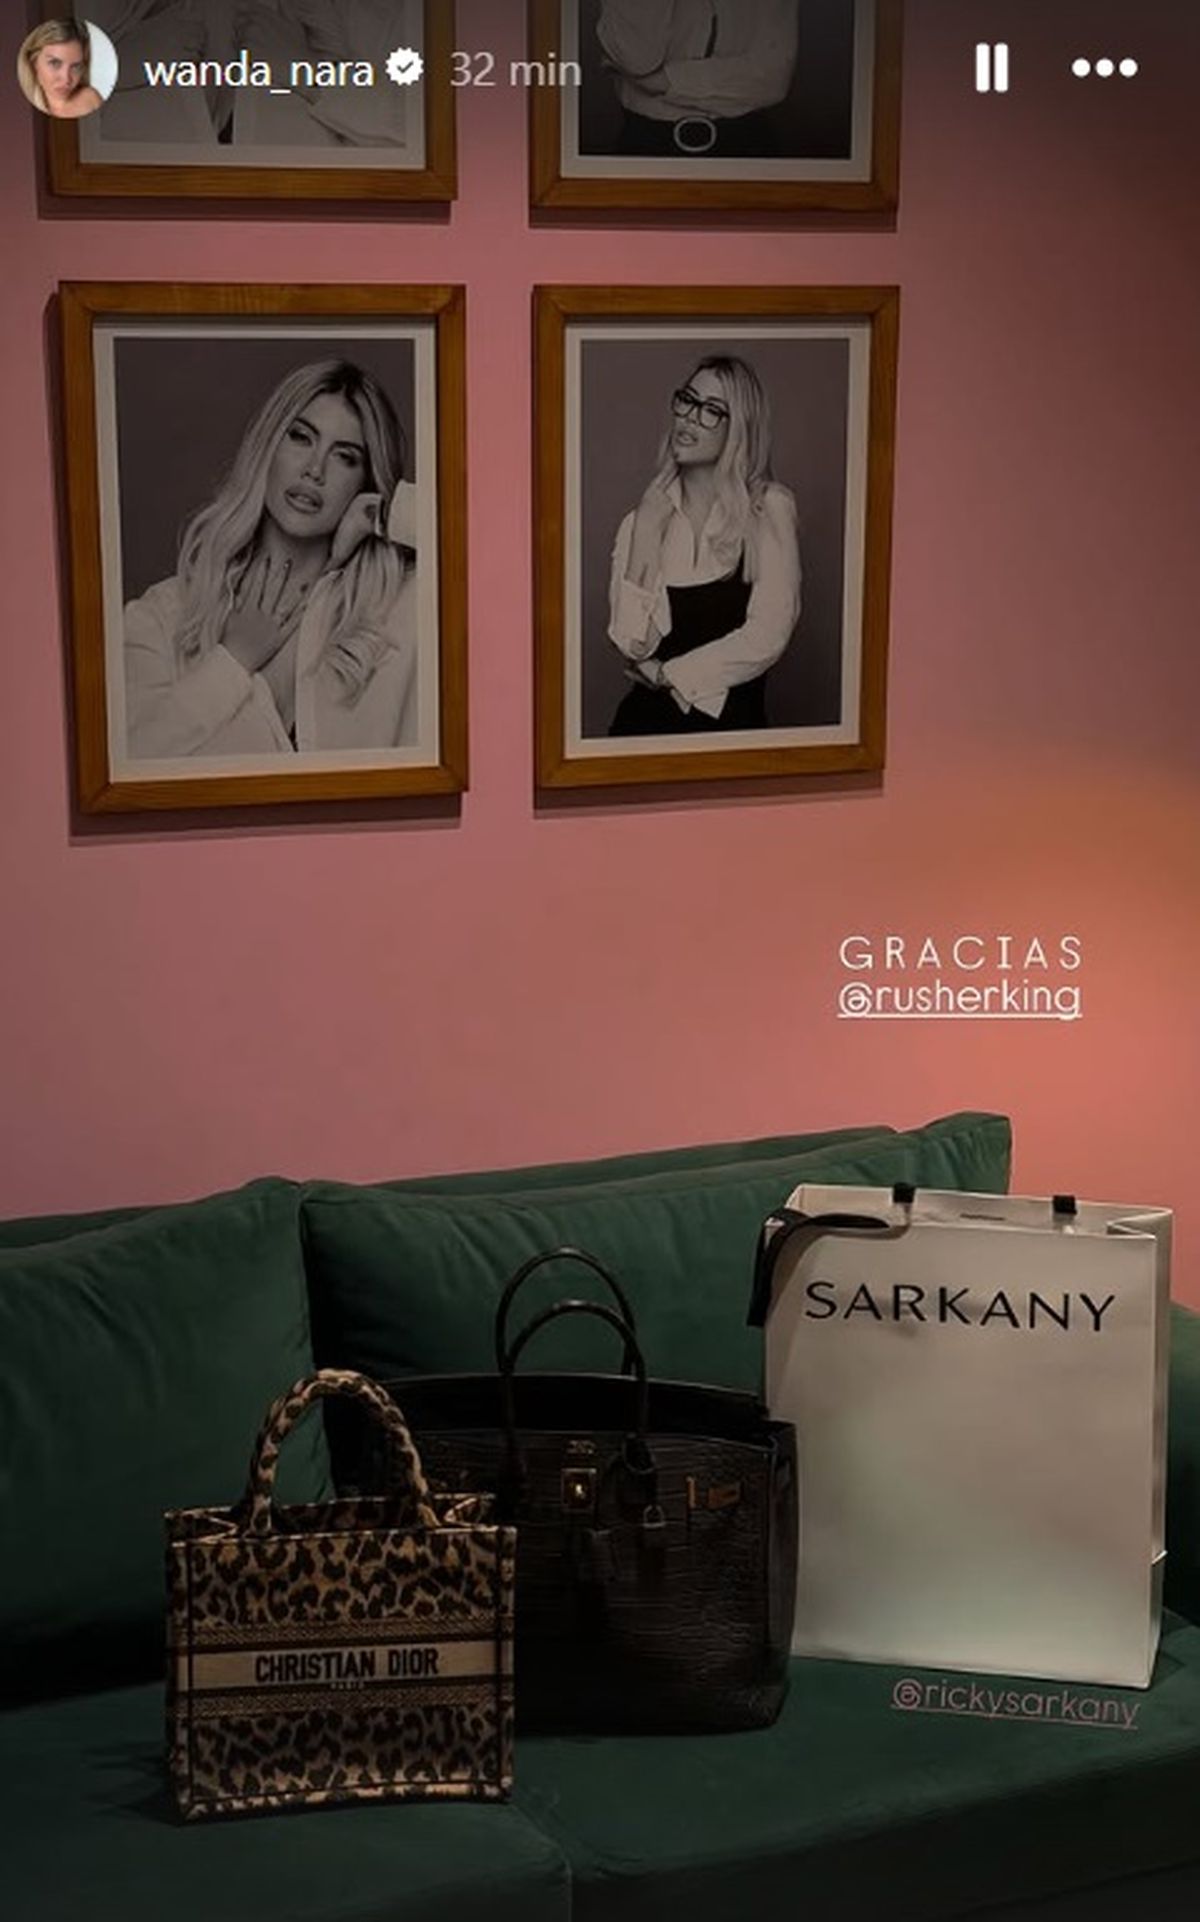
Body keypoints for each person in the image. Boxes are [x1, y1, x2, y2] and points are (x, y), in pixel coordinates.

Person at [123, 359, 418, 759]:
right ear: (268, 445)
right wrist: (232, 661)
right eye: (301, 437)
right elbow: (128, 762)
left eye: (345, 457)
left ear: (365, 480)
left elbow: (494, 539)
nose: (315, 470)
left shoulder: (399, 609)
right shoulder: (162, 615)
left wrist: (386, 514)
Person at [607, 355, 801, 735]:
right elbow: (632, 645)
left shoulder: (768, 509)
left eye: (712, 410)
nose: (690, 418)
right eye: (688, 400)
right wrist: (647, 531)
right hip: (640, 734)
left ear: (739, 428)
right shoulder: (640, 520)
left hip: (732, 736)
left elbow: (768, 635)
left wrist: (667, 675)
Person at [596, 0, 799, 157]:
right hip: (648, 142)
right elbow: (637, 59)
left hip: (744, 144)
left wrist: (668, 81)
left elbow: (773, 77)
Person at [18, 19, 104, 118]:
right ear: (33, 63)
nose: (66, 79)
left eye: (75, 66)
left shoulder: (90, 99)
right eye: (55, 63)